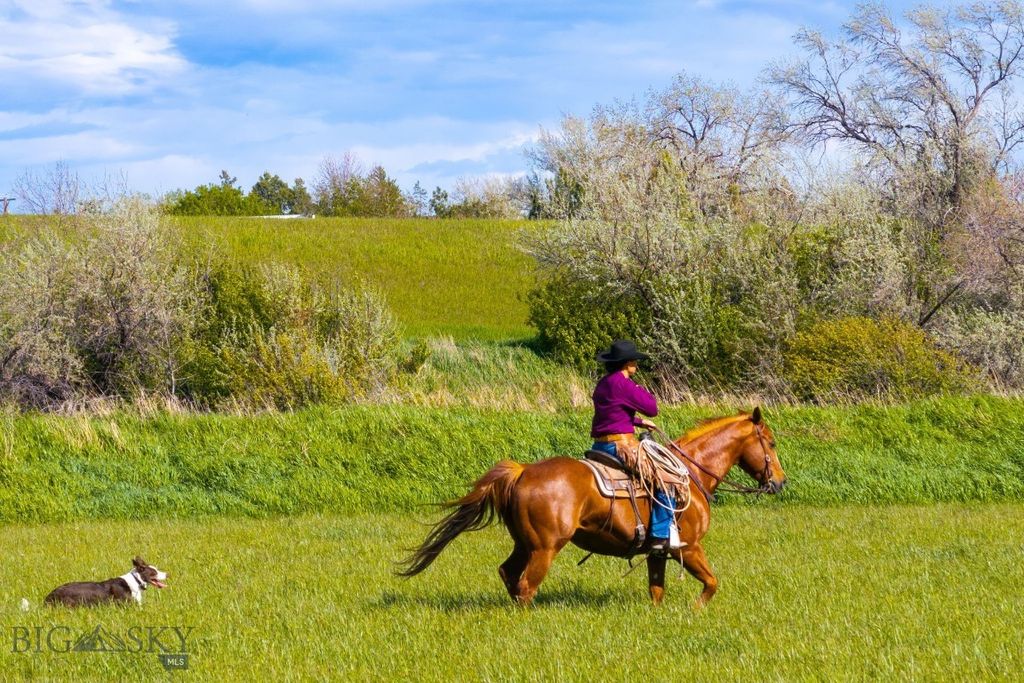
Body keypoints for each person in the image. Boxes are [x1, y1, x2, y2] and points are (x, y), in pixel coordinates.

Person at [590, 340, 677, 552]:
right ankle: (660, 535)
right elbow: (652, 407)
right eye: (634, 361)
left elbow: (611, 411)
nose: (636, 365)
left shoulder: (603, 383)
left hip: (599, 446)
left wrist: (637, 422)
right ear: (626, 363)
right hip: (621, 446)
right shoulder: (624, 384)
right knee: (667, 477)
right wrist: (637, 387)